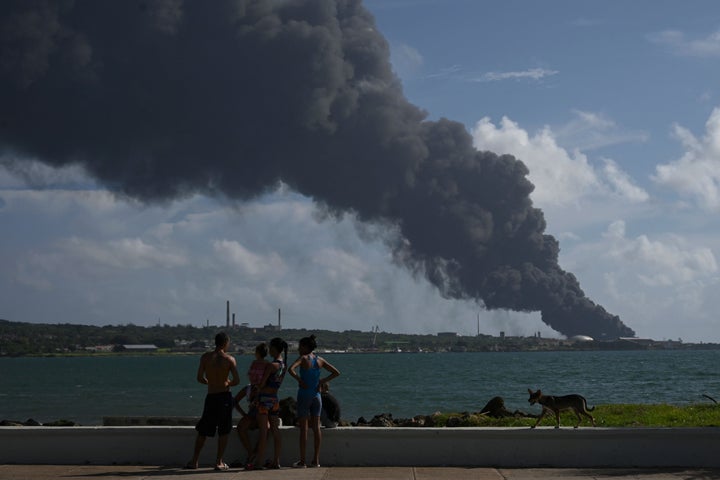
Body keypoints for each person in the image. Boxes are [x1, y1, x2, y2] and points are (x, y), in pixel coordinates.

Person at [185, 332, 240, 471]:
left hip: (211, 396)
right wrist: (227, 383)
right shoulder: (229, 359)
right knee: (223, 430)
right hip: (224, 396)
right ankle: (218, 461)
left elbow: (199, 378)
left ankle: (194, 461)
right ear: (226, 342)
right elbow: (237, 380)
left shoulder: (205, 357)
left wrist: (210, 382)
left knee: (203, 430)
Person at [288, 334, 340, 468]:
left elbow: (291, 369)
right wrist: (321, 381)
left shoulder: (303, 358)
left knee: (304, 429)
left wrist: (300, 380)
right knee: (317, 428)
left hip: (304, 395)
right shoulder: (320, 360)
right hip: (317, 396)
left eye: (300, 346)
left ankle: (302, 461)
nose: (299, 349)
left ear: (305, 347)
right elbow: (336, 372)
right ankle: (316, 460)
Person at [244, 337, 288, 471]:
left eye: (270, 347)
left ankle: (259, 462)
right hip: (274, 399)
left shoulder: (271, 365)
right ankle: (277, 461)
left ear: (274, 349)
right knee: (275, 431)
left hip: (264, 399)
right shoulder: (283, 365)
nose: (269, 350)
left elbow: (262, 383)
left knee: (263, 432)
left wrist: (255, 388)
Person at [233, 343, 268, 467]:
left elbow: (234, 401)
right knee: (266, 431)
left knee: (242, 428)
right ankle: (254, 453)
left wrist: (243, 413)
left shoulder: (254, 365)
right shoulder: (267, 365)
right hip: (261, 407)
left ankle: (252, 453)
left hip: (254, 411)